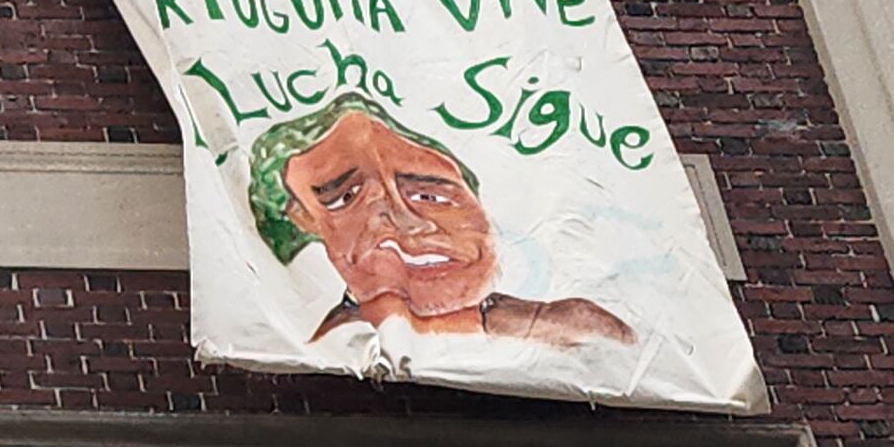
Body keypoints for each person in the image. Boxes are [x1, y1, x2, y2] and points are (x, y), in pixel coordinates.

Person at [243, 92, 634, 350]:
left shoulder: (576, 326)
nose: (408, 224)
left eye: (431, 195)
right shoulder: (332, 348)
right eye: (347, 198)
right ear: (305, 222)